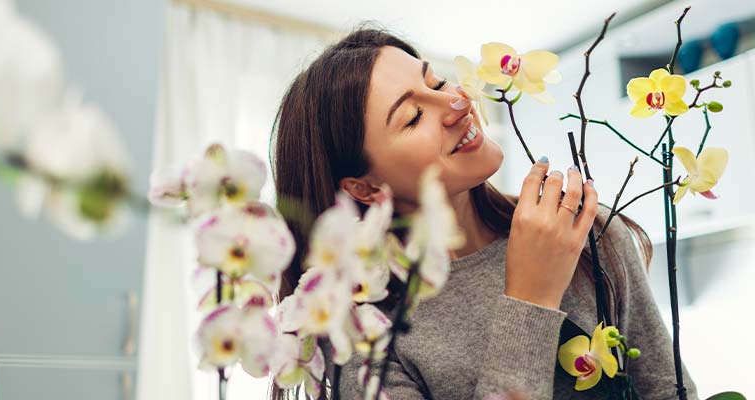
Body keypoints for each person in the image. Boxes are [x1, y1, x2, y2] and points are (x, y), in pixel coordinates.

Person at [269, 26, 697, 400]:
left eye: (437, 84)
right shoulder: (366, 336)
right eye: (414, 116)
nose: (455, 104)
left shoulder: (582, 229)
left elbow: (670, 390)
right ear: (363, 187)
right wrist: (531, 297)